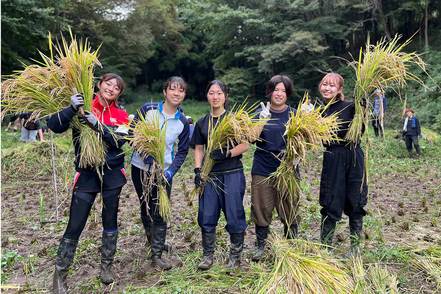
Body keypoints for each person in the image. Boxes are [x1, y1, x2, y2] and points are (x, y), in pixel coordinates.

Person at [48, 73, 129, 292]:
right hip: (86, 174)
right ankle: (60, 275)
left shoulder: (121, 115)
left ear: (119, 93)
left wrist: (97, 125)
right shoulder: (82, 106)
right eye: (108, 84)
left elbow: (120, 141)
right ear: (99, 85)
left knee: (110, 219)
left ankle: (106, 268)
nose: (111, 89)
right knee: (75, 223)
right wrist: (70, 108)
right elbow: (54, 125)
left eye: (117, 87)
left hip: (112, 174)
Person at [130, 76, 190, 271]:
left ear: (184, 95)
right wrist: (145, 155)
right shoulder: (148, 110)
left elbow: (182, 151)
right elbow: (133, 133)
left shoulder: (182, 121)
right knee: (145, 206)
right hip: (140, 168)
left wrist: (171, 171)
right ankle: (152, 239)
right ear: (165, 91)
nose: (176, 93)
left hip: (163, 173)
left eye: (180, 90)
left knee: (161, 211)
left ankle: (157, 254)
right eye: (173, 89)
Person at [191, 80, 249, 270]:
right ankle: (208, 256)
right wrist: (198, 170)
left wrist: (227, 153)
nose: (215, 97)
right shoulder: (202, 122)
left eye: (219, 93)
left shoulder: (234, 120)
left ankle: (235, 256)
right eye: (211, 93)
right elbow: (199, 148)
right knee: (206, 215)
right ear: (207, 95)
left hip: (232, 173)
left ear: (225, 96)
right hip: (210, 176)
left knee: (234, 215)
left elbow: (245, 145)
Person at [250, 75, 300, 262]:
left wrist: (297, 156)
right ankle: (261, 245)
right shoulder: (260, 112)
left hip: (288, 167)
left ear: (288, 93)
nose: (279, 94)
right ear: (270, 92)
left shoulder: (294, 114)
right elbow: (251, 138)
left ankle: (291, 244)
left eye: (283, 90)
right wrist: (262, 120)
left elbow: (306, 141)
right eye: (275, 90)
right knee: (261, 205)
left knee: (289, 205)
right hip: (263, 165)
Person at [318, 72, 368, 255]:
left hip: (353, 155)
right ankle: (325, 248)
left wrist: (363, 107)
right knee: (330, 199)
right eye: (324, 84)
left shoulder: (350, 106)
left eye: (332, 85)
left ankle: (355, 248)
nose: (327, 88)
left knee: (356, 200)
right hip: (333, 157)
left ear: (339, 89)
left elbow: (360, 129)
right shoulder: (319, 111)